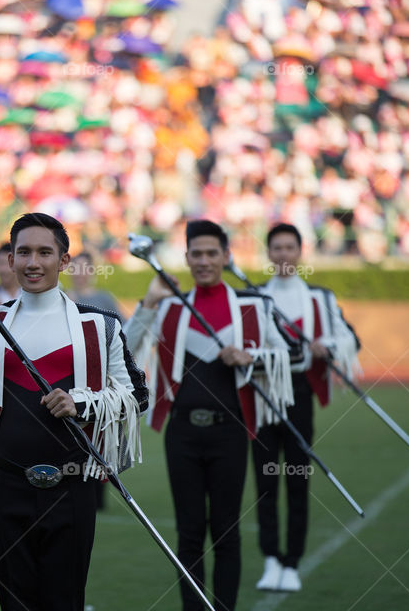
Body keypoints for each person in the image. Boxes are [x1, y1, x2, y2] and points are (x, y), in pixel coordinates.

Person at [0, 213, 147, 611]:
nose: (34, 262)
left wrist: (81, 402)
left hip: (72, 489)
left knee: (64, 603)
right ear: (11, 260)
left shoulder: (100, 325)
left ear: (64, 261)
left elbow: (138, 395)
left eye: (45, 252)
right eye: (24, 252)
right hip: (4, 488)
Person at [124, 220, 293, 611]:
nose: (203, 261)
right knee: (188, 533)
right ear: (186, 258)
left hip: (230, 433)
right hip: (181, 434)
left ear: (226, 257)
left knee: (226, 531)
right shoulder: (167, 306)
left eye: (211, 253)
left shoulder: (252, 306)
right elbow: (126, 351)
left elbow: (290, 356)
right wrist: (149, 302)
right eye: (196, 254)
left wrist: (252, 357)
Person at [253, 223, 360, 592]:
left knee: (297, 479)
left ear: (300, 253)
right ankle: (270, 558)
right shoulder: (255, 297)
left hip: (299, 396)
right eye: (277, 248)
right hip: (263, 398)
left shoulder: (320, 298)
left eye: (289, 247)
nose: (283, 254)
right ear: (269, 254)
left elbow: (350, 338)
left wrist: (327, 347)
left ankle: (292, 561)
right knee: (265, 482)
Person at [66, 250, 124, 510]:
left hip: (100, 378)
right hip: (72, 378)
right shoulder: (62, 297)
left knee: (99, 433)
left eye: (84, 268)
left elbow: (122, 332)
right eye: (74, 268)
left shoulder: (104, 298)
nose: (79, 274)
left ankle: (99, 490)